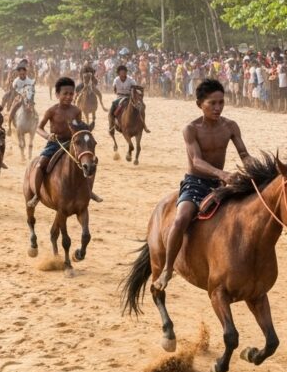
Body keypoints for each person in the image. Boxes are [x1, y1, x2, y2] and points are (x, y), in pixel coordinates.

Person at [152, 79, 255, 292]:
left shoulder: (230, 126)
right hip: (196, 183)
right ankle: (168, 268)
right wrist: (223, 173)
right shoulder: (191, 129)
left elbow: (244, 154)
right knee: (181, 219)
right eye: (212, 103)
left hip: (220, 183)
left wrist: (255, 170)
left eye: (221, 103)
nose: (217, 108)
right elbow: (197, 161)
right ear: (200, 104)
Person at [27, 77, 103, 208]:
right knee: (40, 165)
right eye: (65, 94)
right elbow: (38, 128)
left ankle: (88, 191)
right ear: (57, 95)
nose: (68, 97)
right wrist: (47, 136)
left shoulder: (76, 111)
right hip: (54, 144)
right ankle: (37, 195)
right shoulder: (52, 111)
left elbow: (78, 127)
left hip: (72, 143)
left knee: (90, 163)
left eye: (71, 94)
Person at [108, 65, 150, 133]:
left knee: (141, 107)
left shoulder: (130, 80)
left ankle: (144, 125)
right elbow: (115, 90)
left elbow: (135, 88)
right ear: (119, 73)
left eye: (124, 72)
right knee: (111, 109)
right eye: (122, 72)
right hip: (119, 97)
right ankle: (111, 125)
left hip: (129, 97)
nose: (123, 73)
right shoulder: (116, 80)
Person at [8, 66, 36, 132]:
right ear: (18, 74)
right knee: (13, 108)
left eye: (23, 74)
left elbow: (32, 90)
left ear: (26, 73)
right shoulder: (16, 81)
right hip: (18, 98)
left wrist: (30, 98)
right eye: (20, 74)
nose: (22, 75)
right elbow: (14, 89)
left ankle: (34, 124)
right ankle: (9, 126)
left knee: (33, 110)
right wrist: (21, 94)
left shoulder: (29, 81)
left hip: (28, 98)